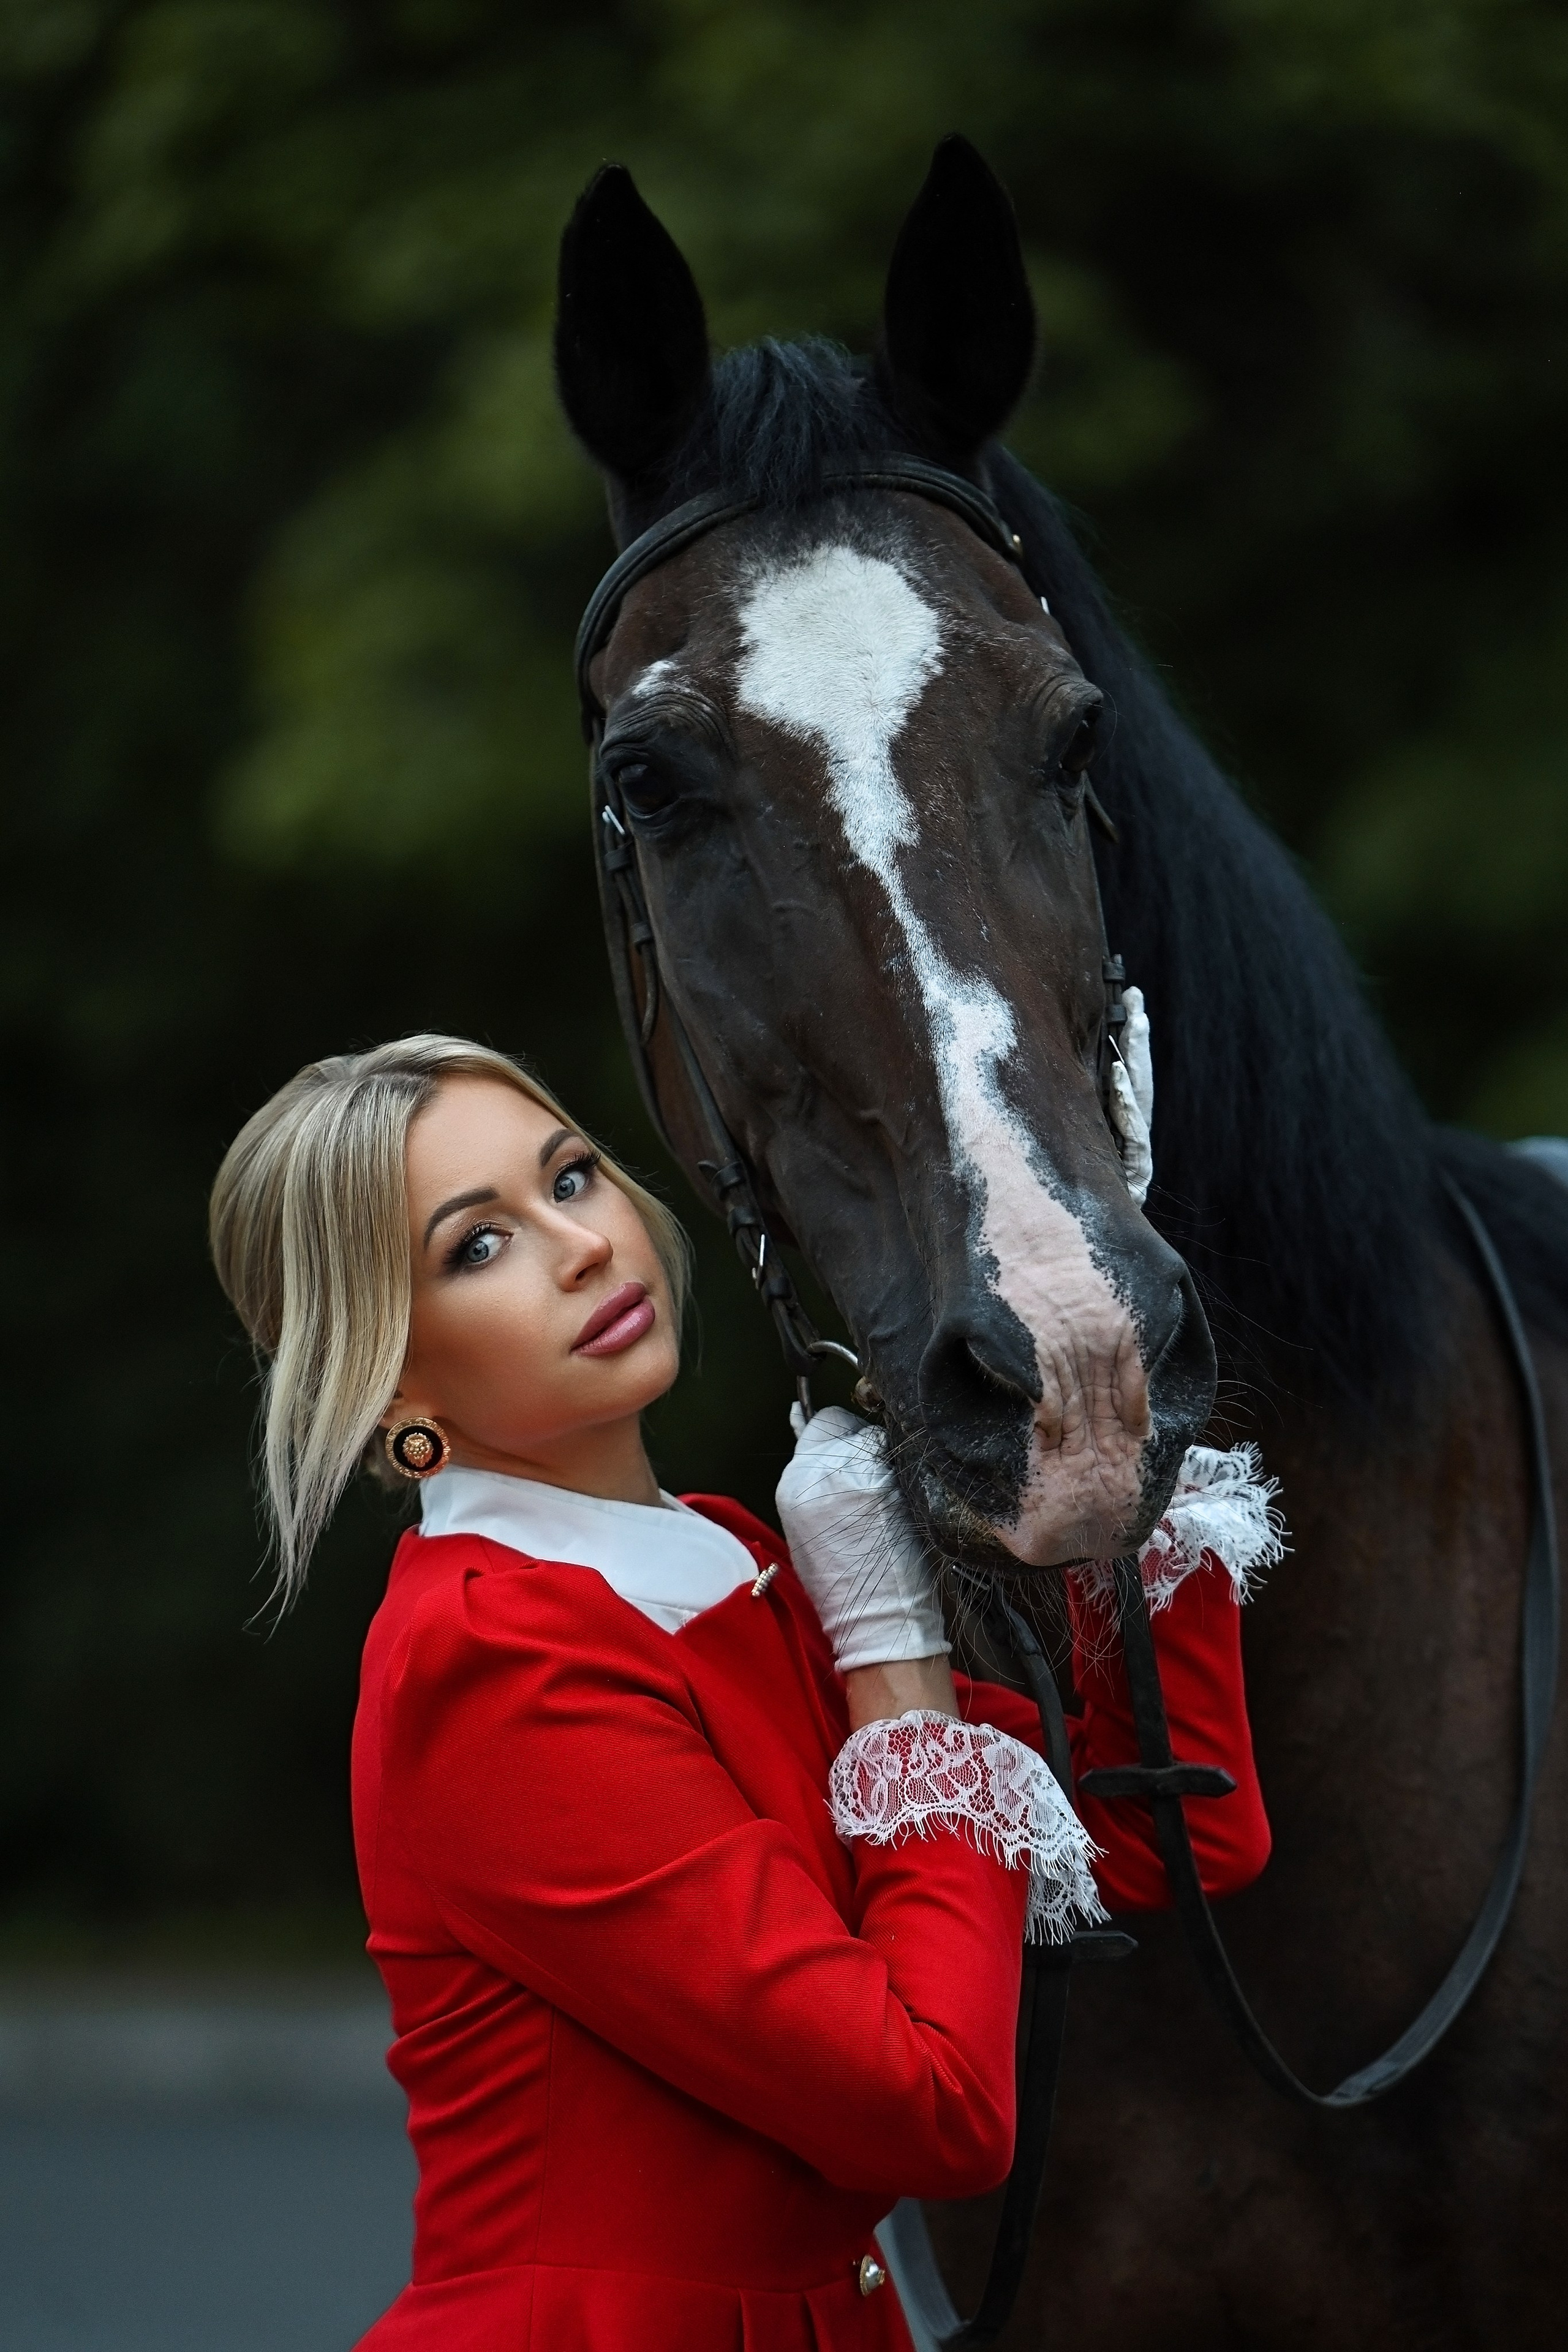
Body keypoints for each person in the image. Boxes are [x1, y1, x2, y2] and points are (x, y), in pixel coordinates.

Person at [209, 1033, 1271, 2351]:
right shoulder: (490, 1655)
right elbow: (928, 2106)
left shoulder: (719, 1556)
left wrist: (1111, 1376)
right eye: (476, 1245)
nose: (582, 1244)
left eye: (572, 1177)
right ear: (390, 1377)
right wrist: (892, 1656)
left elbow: (1159, 1835)